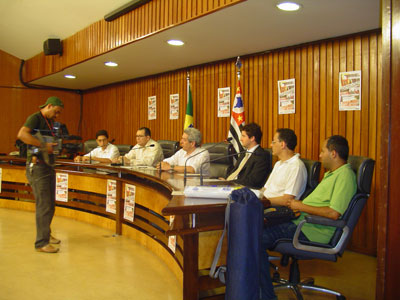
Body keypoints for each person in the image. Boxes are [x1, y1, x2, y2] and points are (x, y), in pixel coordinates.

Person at [260, 135, 357, 300]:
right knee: (256, 226)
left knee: (256, 237)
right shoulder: (332, 174)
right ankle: (260, 286)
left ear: (333, 154)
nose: (319, 156)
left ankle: (264, 294)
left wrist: (299, 206)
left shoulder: (345, 176)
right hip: (301, 223)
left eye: (322, 151)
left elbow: (333, 213)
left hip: (311, 231)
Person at [16, 96, 64, 253]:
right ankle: (41, 243)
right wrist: (44, 145)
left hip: (48, 166)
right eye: (56, 112)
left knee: (50, 204)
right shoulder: (35, 118)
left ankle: (47, 234)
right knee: (44, 205)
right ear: (49, 106)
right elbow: (22, 135)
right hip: (37, 168)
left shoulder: (50, 123)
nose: (57, 116)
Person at [262, 128, 307, 204]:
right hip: (264, 202)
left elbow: (287, 200)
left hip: (276, 208)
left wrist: (261, 202)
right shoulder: (278, 164)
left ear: (282, 144)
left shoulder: (296, 166)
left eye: (273, 142)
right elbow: (265, 189)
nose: (271, 145)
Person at [223, 123, 270, 189]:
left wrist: (230, 182)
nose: (240, 139)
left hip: (245, 190)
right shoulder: (243, 153)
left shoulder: (262, 156)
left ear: (252, 138)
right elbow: (235, 171)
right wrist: (224, 181)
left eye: (243, 136)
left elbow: (253, 181)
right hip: (230, 186)